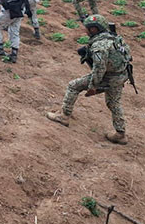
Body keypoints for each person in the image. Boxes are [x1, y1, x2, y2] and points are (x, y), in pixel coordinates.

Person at [47, 14, 133, 145]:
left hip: (108, 77)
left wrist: (93, 86)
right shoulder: (115, 38)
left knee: (73, 86)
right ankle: (120, 134)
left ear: (94, 29)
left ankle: (64, 116)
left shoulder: (99, 46)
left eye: (87, 28)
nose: (85, 30)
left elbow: (99, 68)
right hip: (121, 75)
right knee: (113, 103)